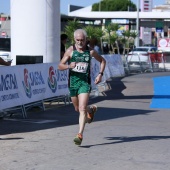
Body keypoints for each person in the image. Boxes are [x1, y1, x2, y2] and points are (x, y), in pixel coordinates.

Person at [58, 29, 106, 145]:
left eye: (82, 40)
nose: (80, 42)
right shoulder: (70, 51)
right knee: (77, 109)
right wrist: (69, 66)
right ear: (74, 40)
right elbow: (60, 66)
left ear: (86, 40)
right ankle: (91, 110)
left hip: (85, 83)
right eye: (78, 40)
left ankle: (79, 134)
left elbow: (103, 61)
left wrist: (100, 74)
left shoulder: (90, 52)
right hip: (73, 83)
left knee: (82, 108)